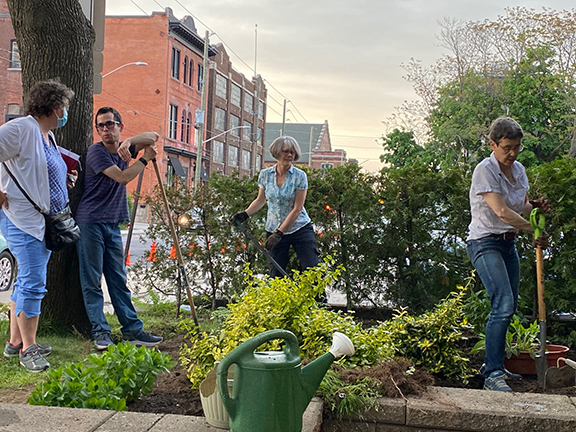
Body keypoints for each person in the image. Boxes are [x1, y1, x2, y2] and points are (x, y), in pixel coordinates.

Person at [466, 117, 550, 392]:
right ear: (493, 144)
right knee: (502, 303)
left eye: (517, 147)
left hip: (507, 244)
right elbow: (501, 211)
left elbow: (519, 205)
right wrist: (533, 229)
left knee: (509, 305)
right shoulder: (485, 171)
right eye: (506, 148)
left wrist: (533, 207)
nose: (512, 153)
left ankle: (493, 365)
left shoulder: (520, 170)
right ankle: (492, 375)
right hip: (484, 242)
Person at [0, 80, 78, 372]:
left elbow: (37, 171)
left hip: (44, 222)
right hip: (23, 221)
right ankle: (29, 350)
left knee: (25, 281)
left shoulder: (46, 135)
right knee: (33, 284)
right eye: (65, 108)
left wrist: (62, 180)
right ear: (56, 108)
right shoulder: (22, 128)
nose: (66, 113)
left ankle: (14, 342)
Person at [75, 106, 162, 350]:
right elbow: (123, 178)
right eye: (100, 126)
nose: (105, 130)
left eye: (110, 124)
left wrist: (133, 141)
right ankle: (101, 332)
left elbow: (153, 137)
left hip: (112, 223)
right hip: (90, 221)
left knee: (118, 279)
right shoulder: (96, 152)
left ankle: (133, 330)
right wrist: (144, 158)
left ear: (119, 126)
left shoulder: (124, 149)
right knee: (92, 280)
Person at [232, 136, 319, 278]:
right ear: (277, 153)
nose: (289, 155)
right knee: (276, 276)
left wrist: (279, 233)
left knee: (312, 273)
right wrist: (245, 214)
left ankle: (319, 301)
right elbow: (260, 200)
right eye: (285, 151)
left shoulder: (300, 176)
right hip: (273, 229)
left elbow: (297, 209)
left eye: (292, 152)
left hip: (299, 228)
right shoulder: (265, 175)